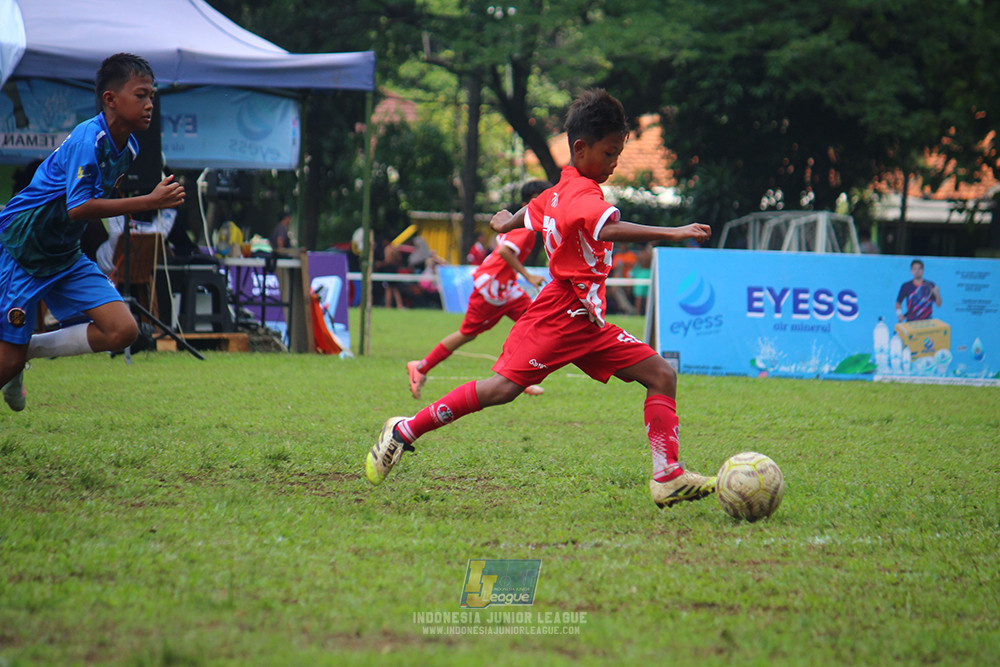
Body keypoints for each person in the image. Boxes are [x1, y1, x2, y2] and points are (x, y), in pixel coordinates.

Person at [366, 89, 715, 509]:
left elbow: (528, 212)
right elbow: (606, 229)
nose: (615, 162)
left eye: (618, 153)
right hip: (558, 315)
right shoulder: (584, 196)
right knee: (501, 389)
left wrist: (503, 221)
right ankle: (403, 431)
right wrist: (673, 233)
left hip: (586, 321)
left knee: (661, 375)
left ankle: (667, 476)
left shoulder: (558, 190)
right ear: (581, 148)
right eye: (609, 153)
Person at [0, 53, 185, 412]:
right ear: (110, 99)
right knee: (5, 361)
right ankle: (15, 359)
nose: (150, 105)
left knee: (123, 330)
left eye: (152, 96)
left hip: (63, 255)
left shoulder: (128, 147)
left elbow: (85, 209)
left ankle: (27, 349)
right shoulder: (90, 138)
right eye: (141, 95)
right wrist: (147, 201)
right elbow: (79, 208)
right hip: (24, 250)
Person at [406, 180, 551, 400]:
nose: (546, 204)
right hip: (491, 290)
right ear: (527, 203)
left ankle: (520, 379)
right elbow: (504, 251)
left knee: (535, 325)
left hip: (506, 288)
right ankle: (421, 367)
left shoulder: (524, 224)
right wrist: (528, 275)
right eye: (540, 199)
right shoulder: (525, 226)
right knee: (467, 334)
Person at [896, 258, 941, 322]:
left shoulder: (930, 285)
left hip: (927, 323)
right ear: (911, 271)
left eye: (919, 269)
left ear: (922, 270)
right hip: (911, 323)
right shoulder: (905, 286)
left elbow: (938, 304)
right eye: (915, 269)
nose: (917, 271)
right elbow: (898, 303)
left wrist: (937, 294)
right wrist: (899, 315)